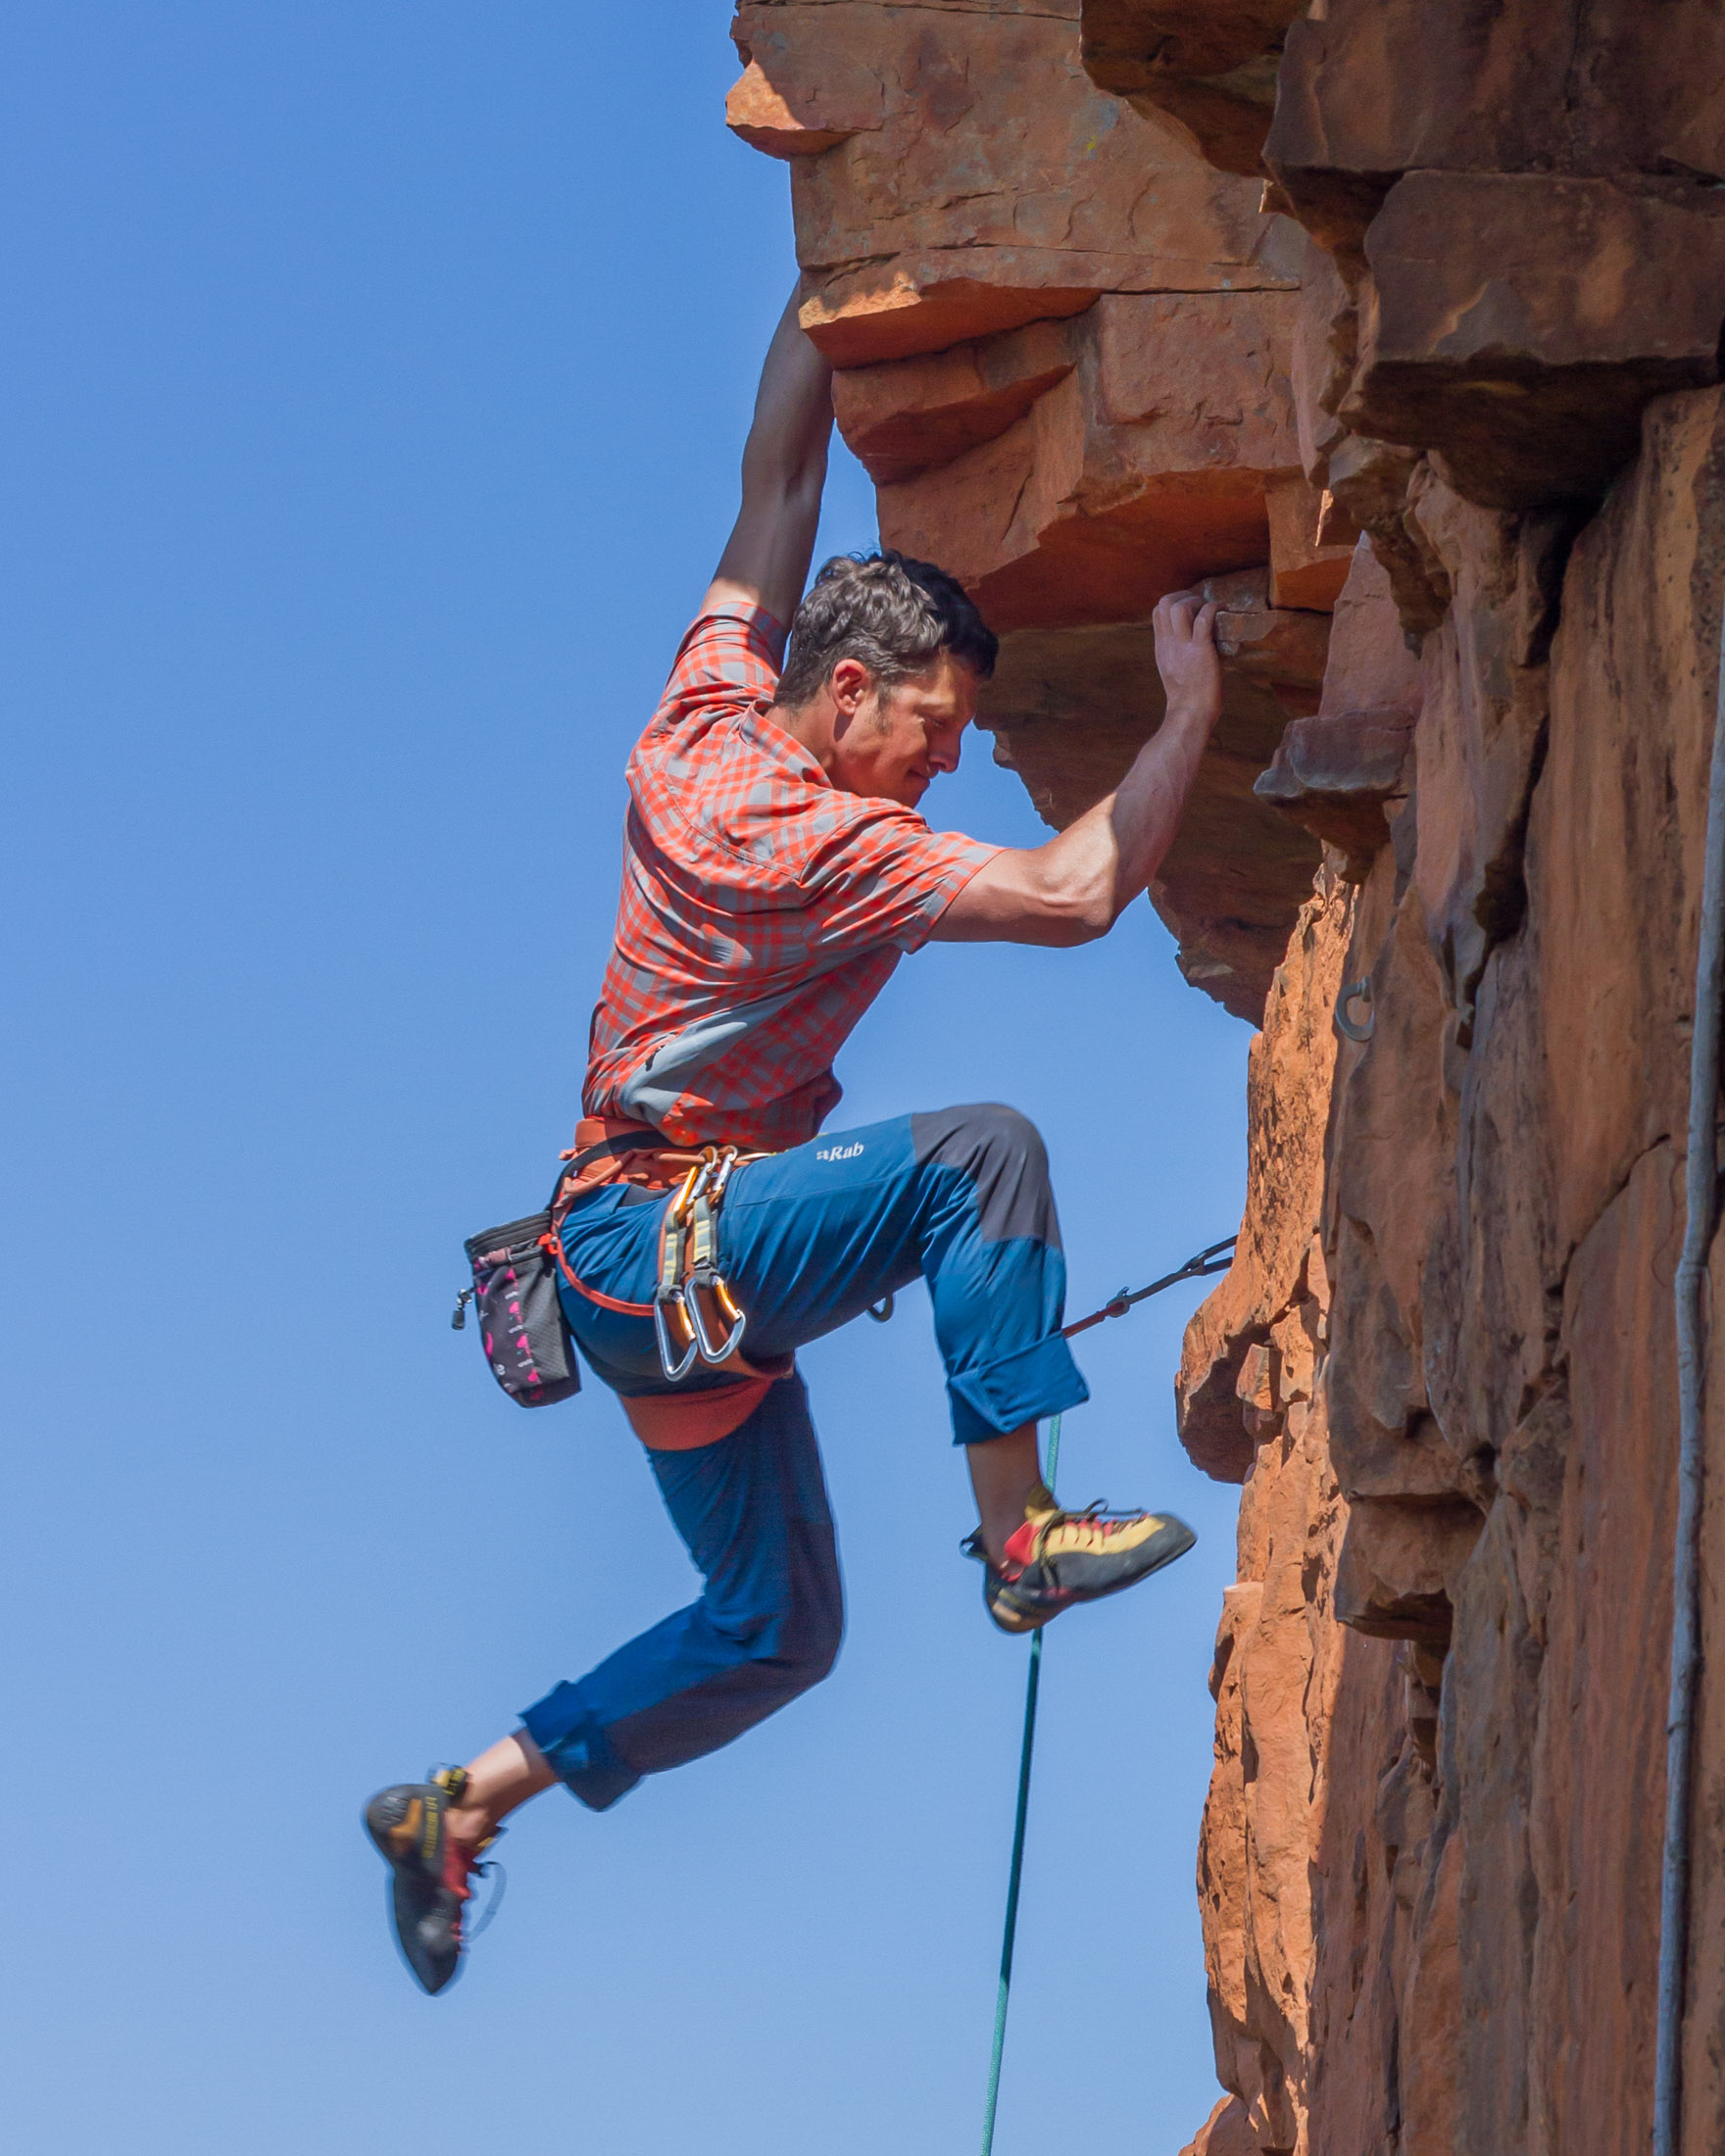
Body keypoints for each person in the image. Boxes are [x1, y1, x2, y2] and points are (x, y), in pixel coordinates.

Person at [366, 289, 1226, 1993]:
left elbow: (778, 482)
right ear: (850, 695)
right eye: (937, 731)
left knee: (778, 1634)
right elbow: (1076, 894)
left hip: (635, 1276)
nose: (950, 764)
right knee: (982, 1156)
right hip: (656, 1249)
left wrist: (832, 278)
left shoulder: (698, 722)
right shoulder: (822, 843)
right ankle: (1023, 1537)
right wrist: (1189, 701)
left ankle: (459, 1802)